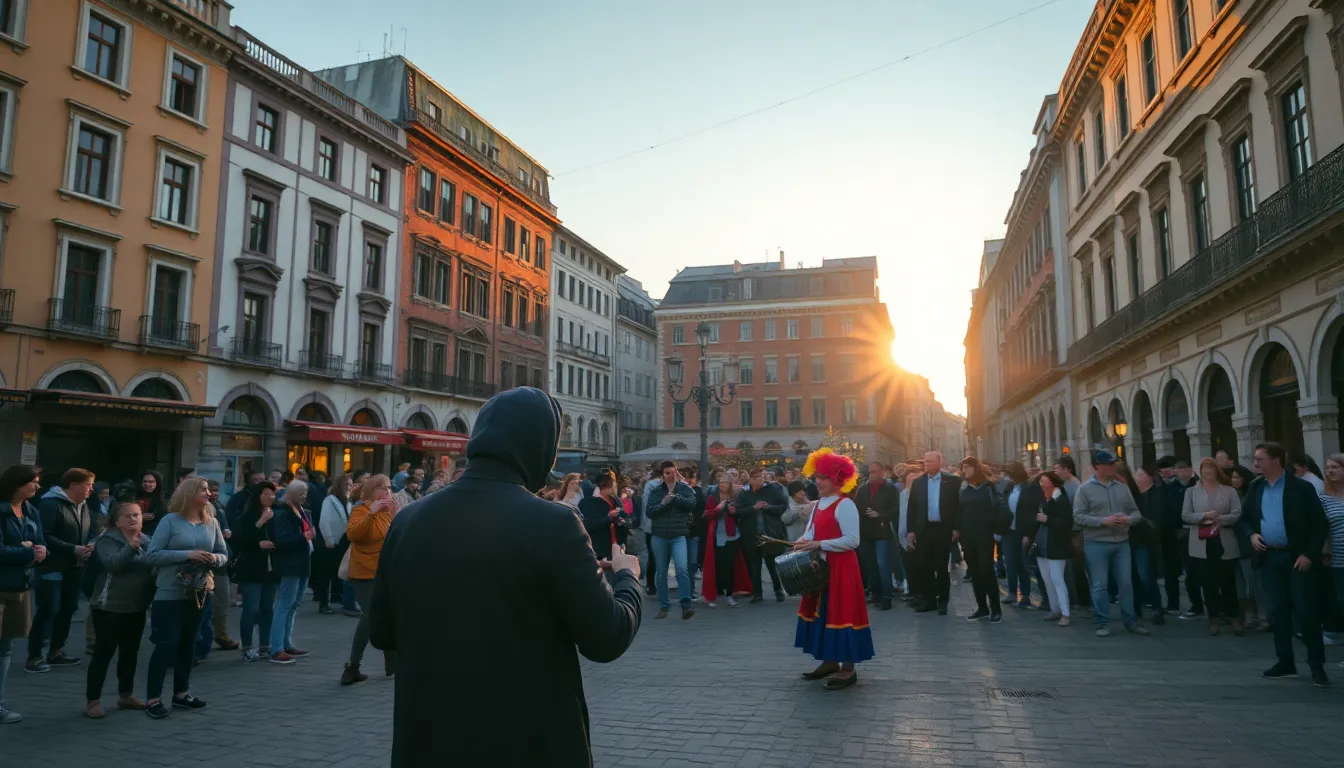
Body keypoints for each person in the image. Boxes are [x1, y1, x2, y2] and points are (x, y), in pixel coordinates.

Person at [367, 387, 641, 767]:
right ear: (541, 448)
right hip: (526, 741)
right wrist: (627, 578)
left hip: (429, 739)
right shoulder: (554, 524)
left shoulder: (408, 520)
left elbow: (382, 632)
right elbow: (607, 637)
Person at [142, 477, 229, 719]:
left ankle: (181, 694)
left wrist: (213, 559)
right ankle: (153, 698)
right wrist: (187, 554)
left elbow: (223, 554)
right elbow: (152, 555)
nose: (209, 494)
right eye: (203, 490)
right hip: (170, 592)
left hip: (200, 591)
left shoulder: (211, 522)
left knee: (188, 643)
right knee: (166, 644)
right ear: (189, 493)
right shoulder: (170, 521)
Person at [1244, 442, 1329, 687]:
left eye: (1260, 459)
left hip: (1296, 558)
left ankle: (1316, 664)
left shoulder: (1300, 487)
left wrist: (1309, 554)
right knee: (1277, 612)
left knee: (1306, 611)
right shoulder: (1256, 487)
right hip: (1269, 557)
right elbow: (1246, 518)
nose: (1255, 463)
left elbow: (1319, 524)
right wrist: (1252, 535)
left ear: (1276, 460)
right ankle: (1285, 661)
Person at [794, 449, 873, 690]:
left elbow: (853, 540)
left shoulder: (845, 504)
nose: (818, 482)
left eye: (824, 478)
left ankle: (848, 669)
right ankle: (829, 662)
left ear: (838, 480)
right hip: (821, 569)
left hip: (841, 569)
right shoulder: (819, 504)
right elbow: (810, 532)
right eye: (817, 477)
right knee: (824, 613)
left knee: (842, 613)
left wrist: (818, 544)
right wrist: (801, 541)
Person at [85, 501, 153, 718]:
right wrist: (130, 547)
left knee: (130, 653)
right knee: (104, 652)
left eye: (137, 515)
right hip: (109, 606)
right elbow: (113, 564)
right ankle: (93, 700)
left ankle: (126, 695)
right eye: (128, 516)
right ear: (117, 520)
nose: (133, 519)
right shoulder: (107, 539)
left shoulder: (147, 540)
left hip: (137, 606)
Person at [1073, 450, 1149, 638]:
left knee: (1126, 584)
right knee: (1100, 584)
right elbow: (1078, 516)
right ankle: (1102, 622)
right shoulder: (1084, 489)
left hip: (1121, 543)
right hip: (1096, 543)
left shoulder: (1122, 488)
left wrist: (1128, 519)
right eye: (1109, 464)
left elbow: (1136, 513)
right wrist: (1102, 521)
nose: (1113, 466)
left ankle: (1130, 621)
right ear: (1097, 466)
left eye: (1114, 463)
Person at [28, 467, 95, 672]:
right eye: (88, 485)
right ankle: (35, 656)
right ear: (73, 484)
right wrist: (72, 548)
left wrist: (91, 543)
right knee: (49, 609)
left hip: (75, 567)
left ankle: (56, 651)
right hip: (52, 566)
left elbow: (90, 529)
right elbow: (45, 535)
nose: (91, 489)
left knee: (68, 608)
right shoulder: (50, 504)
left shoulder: (83, 504)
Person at [0, 465, 45, 723]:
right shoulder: (1, 511)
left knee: (6, 646)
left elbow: (41, 540)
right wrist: (29, 552)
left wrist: (41, 550)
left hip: (20, 586)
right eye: (33, 481)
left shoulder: (30, 510)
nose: (37, 486)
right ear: (18, 483)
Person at [342, 474, 397, 684]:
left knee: (389, 614)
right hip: (364, 572)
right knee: (369, 616)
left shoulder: (386, 512)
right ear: (372, 491)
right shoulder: (362, 509)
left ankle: (391, 659)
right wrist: (371, 514)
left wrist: (395, 515)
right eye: (383, 488)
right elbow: (353, 534)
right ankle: (352, 665)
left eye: (389, 488)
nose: (387, 492)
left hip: (384, 572)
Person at [1182, 457, 1244, 636]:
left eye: (1210, 468)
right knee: (1208, 584)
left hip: (1224, 541)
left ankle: (1234, 617)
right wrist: (1203, 516)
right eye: (1204, 469)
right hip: (1202, 543)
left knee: (1228, 582)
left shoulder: (1229, 491)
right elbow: (1185, 515)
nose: (1207, 472)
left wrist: (1219, 519)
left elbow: (1236, 513)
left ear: (1217, 471)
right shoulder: (1191, 492)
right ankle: (1214, 619)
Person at [906, 451, 961, 615]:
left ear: (940, 462)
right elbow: (912, 507)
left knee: (942, 567)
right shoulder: (918, 483)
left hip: (943, 529)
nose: (927, 464)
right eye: (925, 461)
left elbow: (958, 506)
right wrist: (911, 530)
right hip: (924, 530)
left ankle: (943, 601)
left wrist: (956, 527)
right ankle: (929, 601)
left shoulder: (952, 481)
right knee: (925, 567)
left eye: (930, 461)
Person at [230, 481, 279, 662]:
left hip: (271, 569)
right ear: (258, 496)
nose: (270, 497)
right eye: (266, 493)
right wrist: (260, 524)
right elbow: (238, 540)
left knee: (267, 608)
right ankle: (247, 647)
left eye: (272, 494)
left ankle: (265, 645)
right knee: (251, 609)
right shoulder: (247, 516)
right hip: (251, 569)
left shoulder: (277, 514)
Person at [268, 480, 314, 665]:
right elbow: (281, 541)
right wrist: (303, 537)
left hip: (303, 562)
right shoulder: (282, 512)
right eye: (301, 493)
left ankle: (287, 644)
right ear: (292, 493)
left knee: (295, 604)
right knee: (284, 605)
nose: (304, 496)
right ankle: (276, 648)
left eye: (305, 493)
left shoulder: (302, 510)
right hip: (290, 564)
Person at [647, 461, 697, 619]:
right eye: (666, 473)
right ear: (662, 474)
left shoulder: (684, 488)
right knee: (661, 572)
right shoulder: (656, 491)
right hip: (659, 535)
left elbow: (691, 504)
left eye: (672, 472)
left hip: (678, 534)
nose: (670, 475)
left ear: (676, 472)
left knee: (682, 569)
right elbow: (650, 512)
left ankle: (686, 605)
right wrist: (663, 503)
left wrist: (674, 498)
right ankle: (664, 605)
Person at [736, 467, 790, 603]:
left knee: (772, 564)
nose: (757, 480)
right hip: (750, 534)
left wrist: (769, 507)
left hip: (770, 533)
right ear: (750, 479)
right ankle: (757, 593)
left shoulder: (773, 490)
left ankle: (779, 590)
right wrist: (753, 508)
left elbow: (783, 506)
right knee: (754, 566)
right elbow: (738, 512)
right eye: (754, 478)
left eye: (759, 477)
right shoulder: (744, 494)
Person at [957, 458, 1002, 623]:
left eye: (967, 467)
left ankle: (996, 608)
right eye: (963, 468)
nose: (964, 471)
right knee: (975, 572)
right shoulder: (963, 488)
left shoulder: (988, 487)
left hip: (984, 534)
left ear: (975, 468)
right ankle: (982, 607)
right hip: (967, 535)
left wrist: (995, 528)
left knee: (986, 570)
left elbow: (997, 508)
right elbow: (958, 510)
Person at [1027, 471, 1074, 627]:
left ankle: (1065, 613)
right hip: (1042, 545)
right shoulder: (1043, 498)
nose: (1041, 484)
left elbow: (1067, 523)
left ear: (1052, 482)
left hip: (1056, 545)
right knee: (1047, 579)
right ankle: (1055, 610)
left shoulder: (1061, 499)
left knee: (1057, 579)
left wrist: (1048, 519)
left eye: (1043, 481)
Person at [1157, 455, 1200, 616]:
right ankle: (1172, 603)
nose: (1179, 472)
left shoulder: (1197, 486)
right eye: (1178, 469)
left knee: (1192, 571)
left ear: (1190, 470)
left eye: (1183, 469)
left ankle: (1196, 604)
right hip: (1171, 533)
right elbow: (1165, 509)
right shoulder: (1169, 488)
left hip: (1192, 532)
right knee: (1170, 570)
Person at [854, 462, 899, 611]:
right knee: (870, 564)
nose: (872, 475)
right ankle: (876, 593)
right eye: (870, 472)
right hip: (866, 531)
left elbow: (895, 510)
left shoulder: (890, 489)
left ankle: (887, 596)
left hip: (882, 531)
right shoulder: (863, 489)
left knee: (882, 564)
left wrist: (879, 514)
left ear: (882, 472)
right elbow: (856, 507)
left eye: (874, 472)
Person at [701, 478, 751, 607]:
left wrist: (734, 512)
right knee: (717, 566)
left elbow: (740, 515)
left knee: (730, 566)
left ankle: (729, 594)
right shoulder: (713, 497)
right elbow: (706, 515)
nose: (723, 484)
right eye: (721, 482)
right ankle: (715, 593)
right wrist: (717, 509)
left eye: (726, 482)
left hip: (733, 536)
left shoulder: (735, 497)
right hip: (717, 536)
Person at [1129, 467, 1166, 625]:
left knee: (1145, 575)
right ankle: (1135, 607)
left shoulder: (1156, 494)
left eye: (1140, 474)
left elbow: (1156, 519)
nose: (1137, 477)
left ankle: (1157, 607)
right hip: (1127, 539)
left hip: (1144, 539)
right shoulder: (1131, 493)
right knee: (1131, 576)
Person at [318, 474, 358, 617]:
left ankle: (337, 596)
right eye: (346, 485)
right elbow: (324, 521)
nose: (348, 487)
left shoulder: (348, 501)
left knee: (340, 571)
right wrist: (328, 539)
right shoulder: (330, 500)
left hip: (344, 540)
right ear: (339, 485)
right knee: (326, 574)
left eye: (350, 485)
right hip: (332, 540)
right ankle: (323, 603)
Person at [1002, 462, 1036, 609]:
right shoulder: (1010, 487)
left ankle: (1026, 595)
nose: (1009, 477)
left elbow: (1031, 512)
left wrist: (1028, 534)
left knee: (1023, 564)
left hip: (1022, 532)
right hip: (1008, 531)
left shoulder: (1029, 488)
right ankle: (1012, 593)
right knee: (1010, 563)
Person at [1321, 454, 1344, 662]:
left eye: (1335, 467)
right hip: (1338, 559)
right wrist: (1324, 550)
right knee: (1340, 599)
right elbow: (1320, 528)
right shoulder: (1324, 498)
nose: (1330, 471)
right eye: (1328, 468)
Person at [579, 472, 630, 562]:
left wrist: (622, 521)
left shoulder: (614, 500)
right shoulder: (589, 502)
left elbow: (623, 516)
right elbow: (589, 525)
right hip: (600, 546)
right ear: (606, 486)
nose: (615, 486)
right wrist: (608, 517)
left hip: (617, 543)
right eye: (613, 484)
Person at [136, 471, 168, 536]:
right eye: (145, 481)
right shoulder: (133, 497)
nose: (147, 484)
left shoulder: (164, 499)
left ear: (157, 483)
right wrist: (141, 517)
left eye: (151, 482)